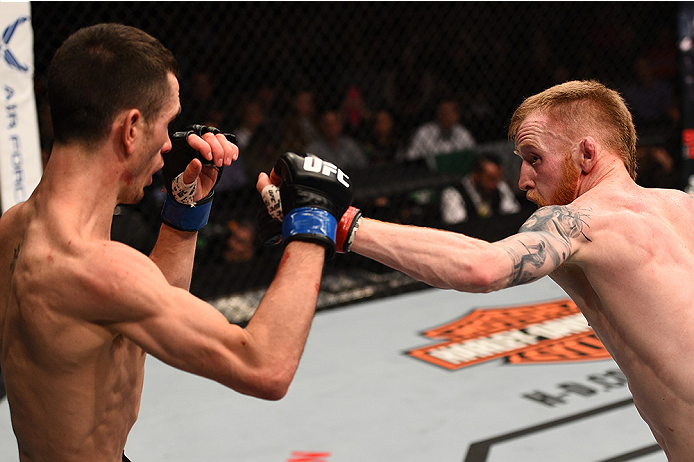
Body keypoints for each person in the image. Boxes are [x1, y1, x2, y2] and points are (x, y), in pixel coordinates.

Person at [259, 80, 694, 460]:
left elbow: (483, 267)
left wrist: (337, 222)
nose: (522, 180)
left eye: (534, 157)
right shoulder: (682, 205)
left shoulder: (582, 222)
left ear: (585, 153)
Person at [0, 23, 352, 462]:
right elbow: (265, 368)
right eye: (165, 126)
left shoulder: (19, 225)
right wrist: (312, 222)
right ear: (130, 129)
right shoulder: (88, 267)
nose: (170, 144)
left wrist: (185, 213)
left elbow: (142, 309)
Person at [439, 152, 530, 241]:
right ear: (476, 174)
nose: (494, 184)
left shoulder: (500, 187)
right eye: (490, 178)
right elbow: (457, 228)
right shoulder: (453, 194)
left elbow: (513, 215)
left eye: (497, 179)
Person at [405, 99, 476, 169]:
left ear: (458, 115)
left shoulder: (462, 132)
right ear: (438, 114)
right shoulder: (424, 132)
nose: (448, 116)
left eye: (452, 112)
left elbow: (473, 154)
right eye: (444, 113)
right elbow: (411, 158)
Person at [304, 109, 369, 169]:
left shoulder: (350, 145)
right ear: (322, 127)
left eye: (334, 123)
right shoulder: (314, 148)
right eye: (327, 124)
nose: (331, 128)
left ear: (340, 125)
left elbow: (362, 165)